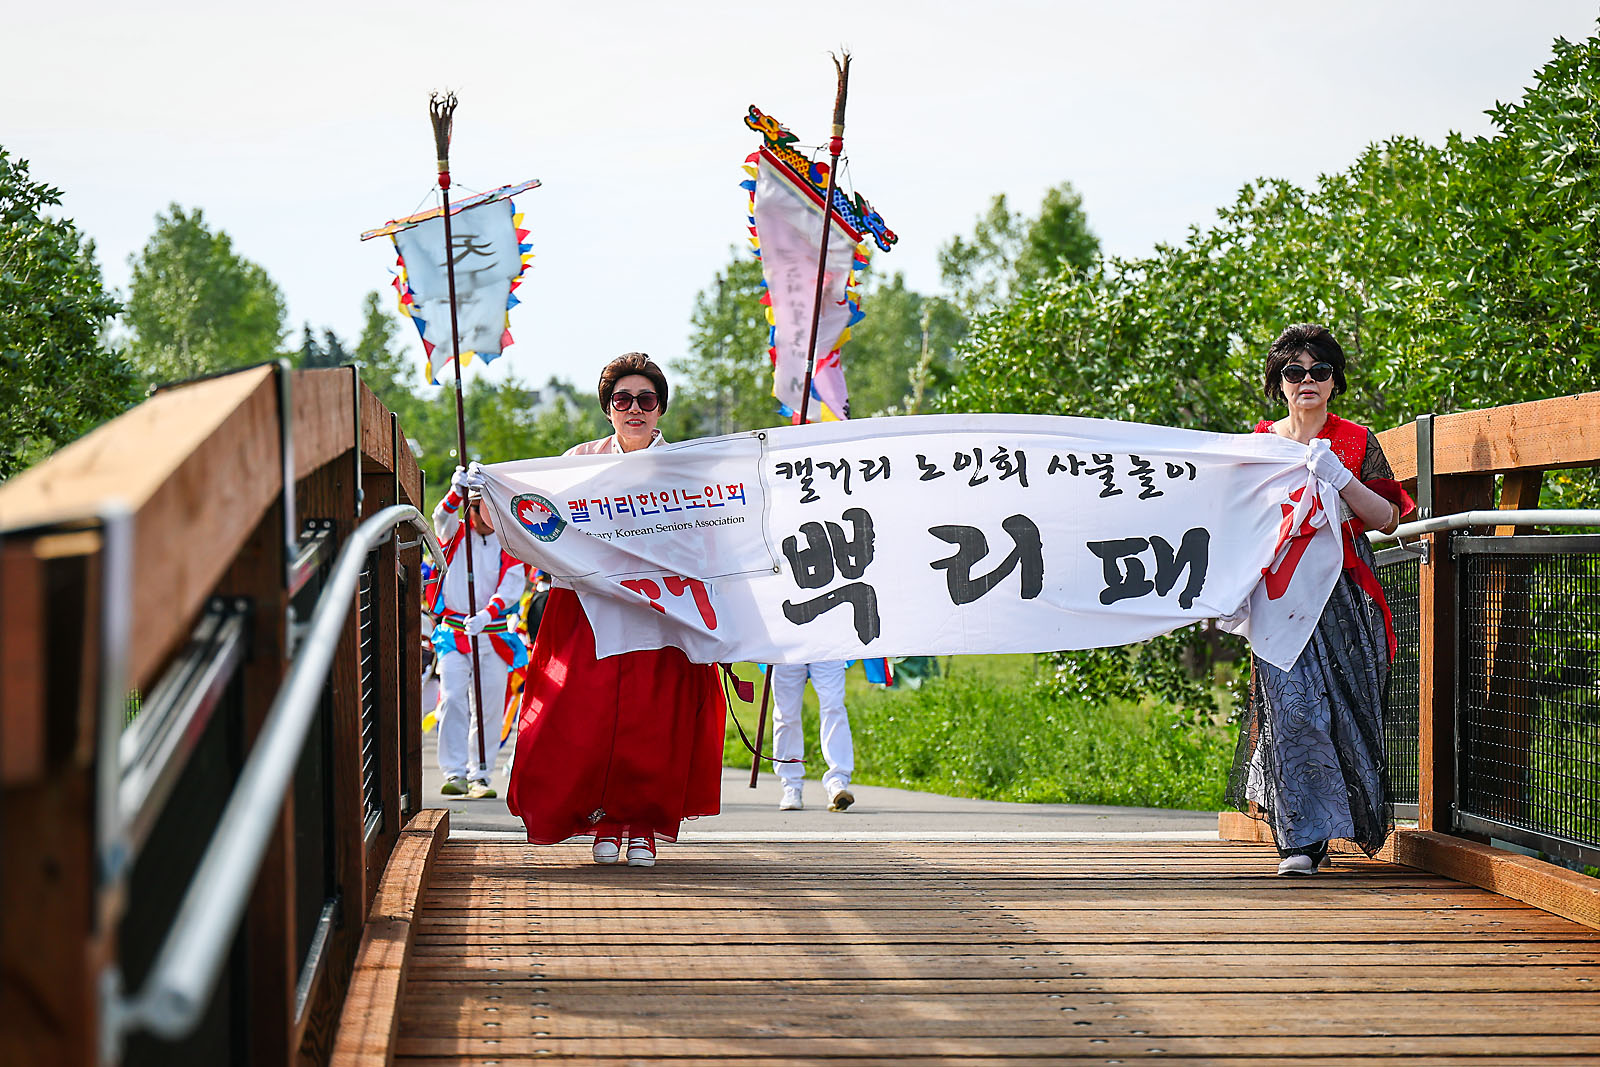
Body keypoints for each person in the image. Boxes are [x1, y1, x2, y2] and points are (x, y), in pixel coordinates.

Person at [503, 352, 728, 867]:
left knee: (654, 718)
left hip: (661, 610)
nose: (634, 409)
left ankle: (644, 825)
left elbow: (710, 536)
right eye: (622, 399)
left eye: (645, 400)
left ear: (660, 409)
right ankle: (603, 821)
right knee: (590, 715)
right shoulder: (577, 460)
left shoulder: (682, 468)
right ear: (608, 408)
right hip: (591, 610)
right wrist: (487, 492)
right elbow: (539, 524)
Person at [1226, 324, 1414, 875]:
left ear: (1334, 381)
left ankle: (1335, 827)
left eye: (1319, 372)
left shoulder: (1358, 441)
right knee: (1292, 709)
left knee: (1346, 712)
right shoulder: (1259, 444)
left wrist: (1340, 479)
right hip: (1280, 598)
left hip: (1344, 598)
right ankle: (1300, 843)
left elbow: (1388, 518)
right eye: (1293, 373)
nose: (1306, 381)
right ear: (1277, 384)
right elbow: (1235, 522)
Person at [430, 475, 528, 799]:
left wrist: (487, 613)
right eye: (480, 509)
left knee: (489, 707)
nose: (485, 517)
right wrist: (455, 492)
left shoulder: (507, 538)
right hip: (454, 634)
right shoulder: (455, 533)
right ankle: (455, 772)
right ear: (472, 508)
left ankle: (480, 775)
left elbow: (513, 583)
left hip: (493, 634)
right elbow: (439, 517)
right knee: (454, 698)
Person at [771, 661, 855, 812]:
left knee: (834, 706)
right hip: (787, 645)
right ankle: (791, 785)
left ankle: (838, 781)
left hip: (826, 644)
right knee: (786, 713)